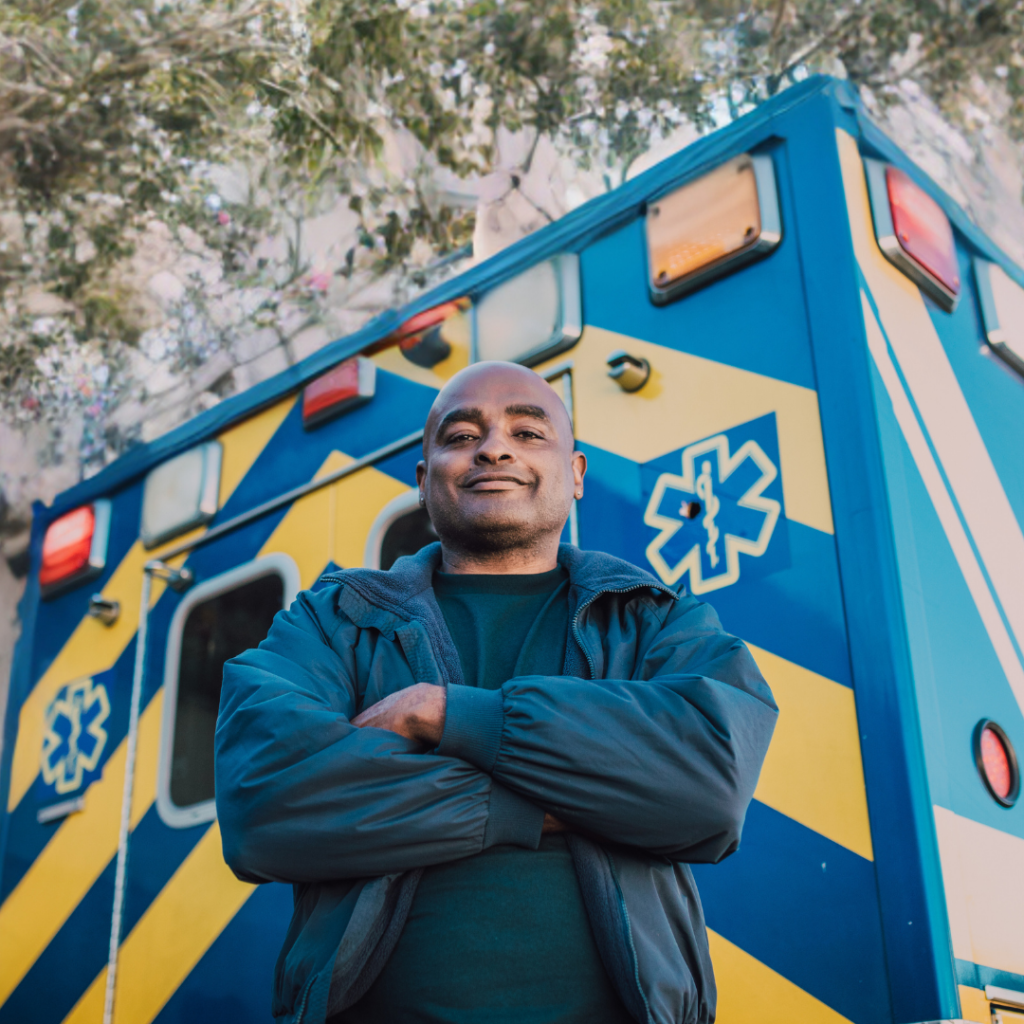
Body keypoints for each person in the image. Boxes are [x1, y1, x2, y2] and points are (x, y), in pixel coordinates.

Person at [215, 360, 778, 1024]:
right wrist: (555, 800)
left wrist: (450, 713)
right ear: (424, 482)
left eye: (529, 431)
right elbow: (264, 801)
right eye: (460, 435)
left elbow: (709, 784)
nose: (493, 447)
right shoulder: (331, 622)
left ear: (575, 474)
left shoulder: (653, 618)